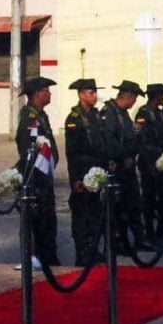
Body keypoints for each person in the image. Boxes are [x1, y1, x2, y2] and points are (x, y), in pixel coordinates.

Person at [15, 76, 60, 267]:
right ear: (36, 94)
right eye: (46, 90)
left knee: (48, 222)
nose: (49, 94)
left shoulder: (41, 115)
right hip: (35, 180)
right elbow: (28, 150)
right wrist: (37, 177)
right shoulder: (30, 118)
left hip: (44, 178)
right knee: (38, 223)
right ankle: (36, 258)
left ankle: (49, 258)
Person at [62, 79, 108, 266]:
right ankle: (82, 252)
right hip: (82, 171)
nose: (94, 96)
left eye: (95, 92)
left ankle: (93, 249)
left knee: (95, 213)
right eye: (90, 92)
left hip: (97, 172)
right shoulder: (74, 119)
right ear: (81, 94)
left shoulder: (96, 116)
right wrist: (76, 179)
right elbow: (72, 152)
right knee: (82, 215)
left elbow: (101, 143)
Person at [100, 80, 149, 250]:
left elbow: (127, 137)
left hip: (128, 168)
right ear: (127, 97)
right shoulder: (110, 113)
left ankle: (139, 240)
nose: (134, 103)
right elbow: (109, 141)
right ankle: (119, 243)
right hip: (118, 169)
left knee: (135, 205)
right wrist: (123, 157)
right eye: (134, 99)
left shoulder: (123, 113)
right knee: (118, 210)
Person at [134, 83, 163, 245]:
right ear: (156, 96)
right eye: (161, 95)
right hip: (149, 162)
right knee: (149, 199)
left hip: (161, 160)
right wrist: (148, 162)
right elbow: (142, 141)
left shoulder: (159, 113)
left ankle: (162, 231)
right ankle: (149, 232)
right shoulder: (143, 113)